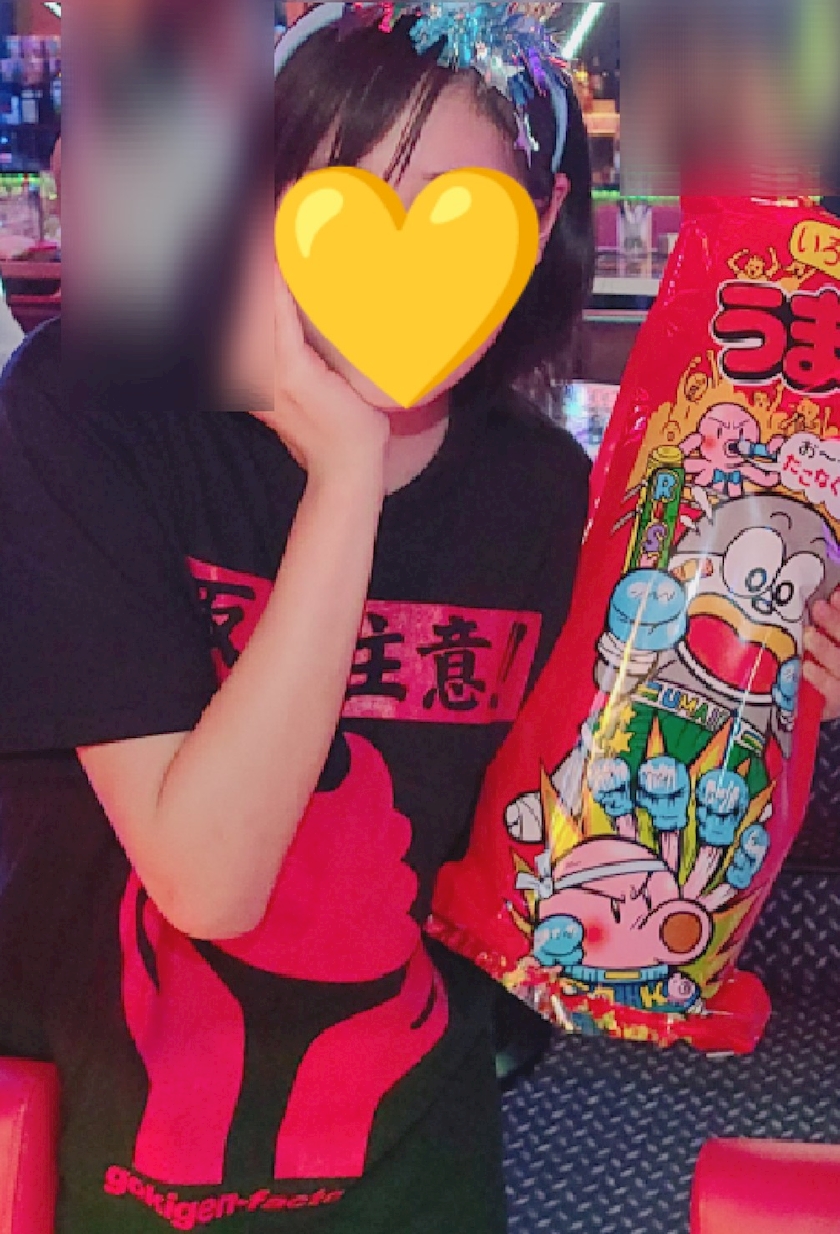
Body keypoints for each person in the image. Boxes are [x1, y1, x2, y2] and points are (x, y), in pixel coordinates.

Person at [0, 9, 838, 1234]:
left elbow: (600, 846)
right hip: (116, 1164)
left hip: (416, 1169)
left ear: (539, 224)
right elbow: (209, 880)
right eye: (348, 202)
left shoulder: (542, 496)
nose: (398, 267)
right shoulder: (98, 416)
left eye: (458, 219)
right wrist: (344, 474)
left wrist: (768, 683)